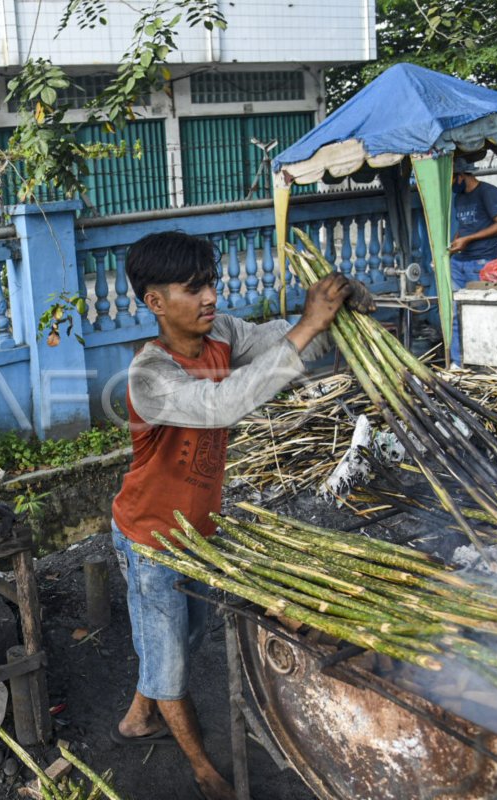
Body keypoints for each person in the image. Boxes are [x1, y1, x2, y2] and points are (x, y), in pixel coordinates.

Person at [108, 231, 373, 800]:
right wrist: (309, 325)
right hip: (151, 539)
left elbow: (279, 343)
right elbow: (221, 404)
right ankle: (204, 771)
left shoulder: (222, 333)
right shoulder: (149, 376)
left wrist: (336, 315)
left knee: (179, 641)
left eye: (211, 283)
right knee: (172, 659)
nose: (209, 297)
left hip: (197, 533)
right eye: (192, 288)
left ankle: (138, 716)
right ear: (155, 302)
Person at [448, 157, 497, 366]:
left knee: (482, 311)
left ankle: (489, 360)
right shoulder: (459, 198)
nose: (451, 186)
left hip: (482, 261)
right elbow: (465, 226)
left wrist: (469, 239)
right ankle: (458, 362)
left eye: (452, 180)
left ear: (462, 176)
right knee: (456, 312)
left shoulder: (488, 192)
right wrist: (456, 241)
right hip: (459, 262)